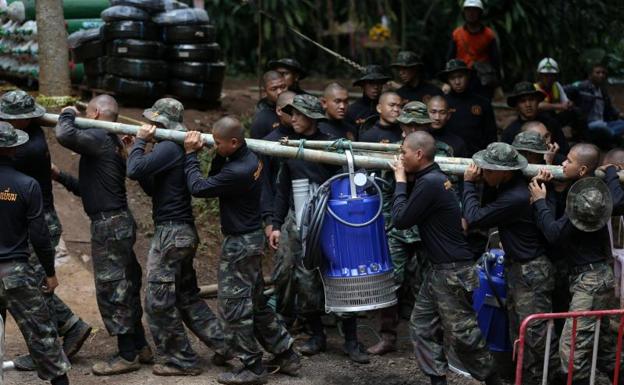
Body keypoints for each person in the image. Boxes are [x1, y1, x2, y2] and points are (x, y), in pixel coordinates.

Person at [183, 117, 300, 384]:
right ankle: (286, 354)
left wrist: (190, 155)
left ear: (234, 142)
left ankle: (252, 366)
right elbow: (216, 177)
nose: (214, 145)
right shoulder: (249, 157)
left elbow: (199, 187)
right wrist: (215, 154)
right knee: (257, 303)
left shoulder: (238, 170)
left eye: (218, 143)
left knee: (234, 306)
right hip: (249, 240)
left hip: (240, 244)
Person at [390, 131, 502, 385]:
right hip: (439, 270)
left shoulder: (430, 183)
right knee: (421, 326)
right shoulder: (434, 178)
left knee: (464, 337)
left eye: (404, 152)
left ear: (419, 154)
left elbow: (400, 220)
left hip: (453, 272)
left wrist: (399, 181)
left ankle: (493, 380)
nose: (401, 157)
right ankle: (437, 380)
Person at [126, 98, 226, 376]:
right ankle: (227, 345)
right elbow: (151, 187)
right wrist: (132, 150)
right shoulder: (170, 149)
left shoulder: (170, 146)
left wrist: (139, 142)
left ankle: (181, 360)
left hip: (171, 234)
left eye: (153, 122)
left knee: (157, 301)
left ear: (162, 124)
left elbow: (134, 170)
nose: (149, 126)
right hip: (180, 232)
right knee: (186, 297)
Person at [53, 96, 151, 375]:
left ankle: (127, 355)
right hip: (117, 221)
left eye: (86, 111)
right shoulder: (112, 141)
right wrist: (59, 176)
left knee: (112, 289)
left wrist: (69, 113)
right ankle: (140, 345)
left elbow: (64, 133)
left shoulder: (98, 134)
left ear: (95, 113)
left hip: (109, 226)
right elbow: (91, 191)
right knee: (127, 285)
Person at [268, 94, 369, 363]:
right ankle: (316, 335)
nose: (293, 119)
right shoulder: (290, 149)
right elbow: (282, 191)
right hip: (302, 223)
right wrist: (276, 224)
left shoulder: (330, 147)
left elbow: (351, 183)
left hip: (332, 224)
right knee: (305, 280)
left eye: (298, 115)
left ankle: (351, 341)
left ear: (311, 117)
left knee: (341, 278)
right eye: (291, 114)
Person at [0, 90, 91, 371]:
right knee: (29, 284)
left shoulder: (24, 148)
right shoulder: (30, 132)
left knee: (35, 287)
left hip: (38, 221)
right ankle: (71, 325)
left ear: (24, 120)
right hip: (31, 216)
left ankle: (47, 353)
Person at [462, 142, 560, 384]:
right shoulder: (508, 187)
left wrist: (468, 184)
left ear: (505, 172)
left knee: (534, 335)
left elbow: (474, 218)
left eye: (488, 170)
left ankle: (542, 380)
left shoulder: (515, 196)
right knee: (520, 331)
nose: (483, 173)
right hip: (518, 268)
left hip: (532, 271)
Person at [530, 146, 624, 384]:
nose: (562, 165)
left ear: (582, 169)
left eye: (567, 161)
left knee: (571, 351)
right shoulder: (585, 188)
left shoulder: (588, 198)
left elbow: (554, 233)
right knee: (605, 348)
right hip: (595, 277)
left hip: (590, 282)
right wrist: (552, 186)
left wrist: (540, 202)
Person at [0, 121, 71, 385]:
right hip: (16, 274)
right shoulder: (28, 185)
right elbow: (40, 235)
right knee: (43, 336)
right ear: (13, 149)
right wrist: (49, 273)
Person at [366, 101, 429, 356]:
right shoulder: (397, 151)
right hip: (399, 230)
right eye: (406, 126)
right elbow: (388, 193)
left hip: (427, 230)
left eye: (415, 126)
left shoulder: (441, 151)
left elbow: (451, 193)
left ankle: (428, 341)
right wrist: (390, 223)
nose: (408, 131)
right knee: (390, 281)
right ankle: (387, 336)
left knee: (427, 285)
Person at [436, 59, 496, 156]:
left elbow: (491, 135)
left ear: (468, 76)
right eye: (452, 78)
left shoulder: (482, 102)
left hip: (477, 158)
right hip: (447, 156)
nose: (457, 82)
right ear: (447, 80)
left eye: (460, 76)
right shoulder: (443, 103)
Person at [446, 0, 500, 99]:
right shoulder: (457, 33)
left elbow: (495, 60)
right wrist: (447, 82)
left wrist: (497, 85)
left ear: (480, 13)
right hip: (461, 76)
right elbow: (450, 57)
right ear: (464, 13)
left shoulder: (488, 34)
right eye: (468, 10)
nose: (471, 13)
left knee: (483, 105)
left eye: (474, 10)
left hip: (482, 79)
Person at [501, 82, 569, 158]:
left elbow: (564, 151)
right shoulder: (510, 132)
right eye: (523, 101)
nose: (528, 105)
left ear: (538, 102)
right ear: (517, 105)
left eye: (531, 99)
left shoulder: (551, 124)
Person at [566, 62, 624, 139]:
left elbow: (610, 109)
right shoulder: (582, 86)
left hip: (604, 123)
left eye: (603, 73)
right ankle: (611, 137)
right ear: (590, 75)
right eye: (598, 73)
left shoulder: (602, 91)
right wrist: (568, 102)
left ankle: (610, 136)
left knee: (619, 125)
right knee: (602, 128)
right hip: (588, 124)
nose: (601, 75)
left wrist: (619, 114)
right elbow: (565, 90)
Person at [345, 65, 391, 137]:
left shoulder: (388, 109)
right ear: (363, 86)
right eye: (371, 83)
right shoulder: (353, 110)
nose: (375, 87)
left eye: (378, 83)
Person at [250, 71, 287, 139]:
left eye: (283, 87)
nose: (280, 92)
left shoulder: (294, 105)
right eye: (274, 89)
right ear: (265, 91)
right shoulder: (261, 117)